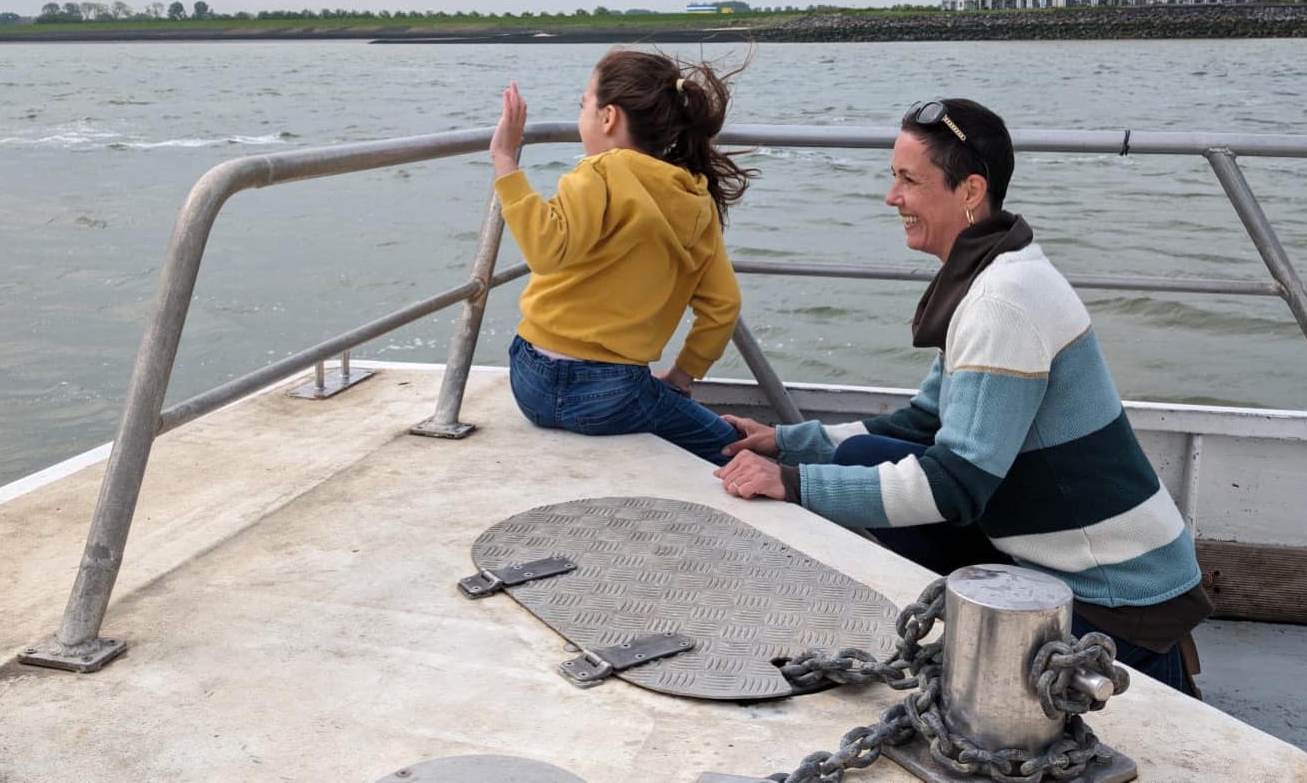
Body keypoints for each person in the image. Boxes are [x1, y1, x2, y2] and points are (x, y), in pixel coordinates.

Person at [715, 98, 1211, 695]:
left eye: (908, 180)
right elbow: (925, 421)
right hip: (1063, 561)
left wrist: (793, 483)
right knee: (854, 460)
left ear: (970, 190)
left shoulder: (1001, 301)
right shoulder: (996, 268)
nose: (891, 197)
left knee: (855, 477)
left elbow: (955, 483)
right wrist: (793, 443)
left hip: (1115, 600)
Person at [489, 48, 755, 465]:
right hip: (615, 395)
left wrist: (505, 159)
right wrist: (683, 375)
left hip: (530, 380)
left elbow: (545, 249)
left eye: (583, 106)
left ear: (608, 117)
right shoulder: (695, 200)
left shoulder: (597, 173)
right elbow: (723, 306)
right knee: (731, 448)